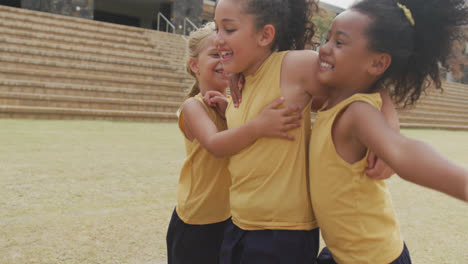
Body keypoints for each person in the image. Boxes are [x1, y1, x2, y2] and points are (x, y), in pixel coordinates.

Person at [213, 0, 399, 263]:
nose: (218, 40)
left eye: (228, 30)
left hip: (281, 234)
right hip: (239, 224)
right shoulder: (238, 83)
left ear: (265, 35)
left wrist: (390, 135)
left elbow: (366, 84)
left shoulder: (293, 67)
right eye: (215, 29)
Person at [309, 1, 468, 263]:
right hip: (343, 253)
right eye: (327, 39)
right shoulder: (333, 100)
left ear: (377, 63)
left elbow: (403, 151)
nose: (324, 49)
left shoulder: (358, 113)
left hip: (375, 258)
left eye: (339, 43)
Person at [166, 22, 304, 264]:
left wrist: (229, 109)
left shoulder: (232, 104)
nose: (222, 60)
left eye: (226, 54)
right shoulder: (193, 106)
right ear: (195, 65)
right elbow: (216, 145)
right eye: (214, 55)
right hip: (196, 221)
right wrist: (260, 124)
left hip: (231, 219)